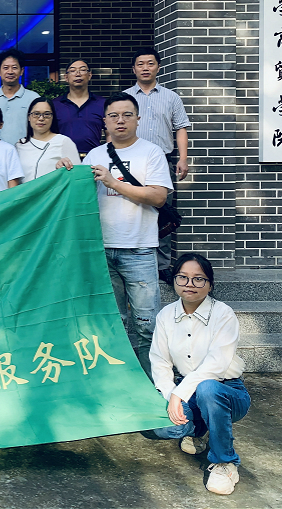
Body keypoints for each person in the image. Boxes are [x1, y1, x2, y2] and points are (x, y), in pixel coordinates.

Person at [56, 92, 172, 377]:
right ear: (105, 121)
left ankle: (152, 383)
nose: (120, 120)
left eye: (127, 115)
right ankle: (117, 383)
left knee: (146, 323)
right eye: (113, 116)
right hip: (102, 251)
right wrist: (64, 174)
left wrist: (114, 182)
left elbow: (158, 197)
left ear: (138, 119)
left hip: (139, 249)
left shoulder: (151, 152)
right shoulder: (95, 155)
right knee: (111, 323)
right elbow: (79, 196)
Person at [144, 253, 249, 496]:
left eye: (198, 279)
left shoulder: (224, 314)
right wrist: (171, 395)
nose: (189, 284)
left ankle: (225, 462)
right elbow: (160, 362)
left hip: (227, 390)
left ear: (210, 284)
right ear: (174, 280)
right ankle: (199, 429)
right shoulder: (166, 315)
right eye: (182, 277)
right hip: (185, 390)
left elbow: (216, 365)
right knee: (162, 428)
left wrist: (179, 394)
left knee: (207, 388)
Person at [125, 47, 192, 281]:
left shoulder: (171, 97)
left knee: (162, 212)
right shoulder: (125, 98)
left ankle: (162, 265)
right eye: (140, 64)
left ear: (158, 67)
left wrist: (183, 158)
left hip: (162, 161)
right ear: (134, 69)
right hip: (132, 163)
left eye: (150, 63)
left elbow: (180, 128)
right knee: (131, 211)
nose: (145, 68)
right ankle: (131, 262)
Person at [0, 49, 41, 145]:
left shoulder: (34, 98)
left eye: (14, 67)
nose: (10, 72)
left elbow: (40, 128)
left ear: (21, 71)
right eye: (5, 68)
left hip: (26, 149)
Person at [15, 97, 80, 181]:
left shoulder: (63, 142)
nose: (41, 118)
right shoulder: (20, 144)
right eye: (36, 114)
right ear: (29, 117)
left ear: (53, 117)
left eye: (47, 114)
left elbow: (77, 176)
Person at [51, 59, 107, 157]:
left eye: (82, 70)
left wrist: (108, 156)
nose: (78, 74)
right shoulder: (55, 104)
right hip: (63, 159)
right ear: (66, 77)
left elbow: (110, 133)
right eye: (73, 71)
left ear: (89, 75)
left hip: (94, 158)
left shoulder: (102, 103)